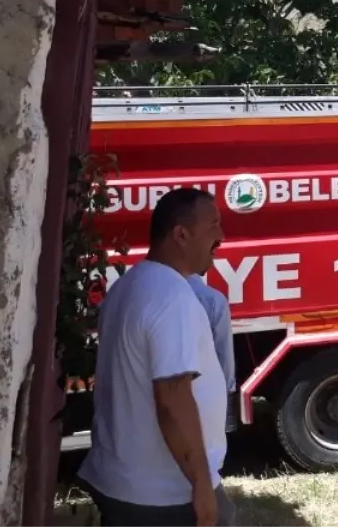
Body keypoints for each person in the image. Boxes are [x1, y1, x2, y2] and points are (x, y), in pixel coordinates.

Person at [79, 188, 233, 527]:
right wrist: (202, 486)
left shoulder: (129, 285)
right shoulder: (170, 297)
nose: (221, 237)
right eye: (213, 226)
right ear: (181, 234)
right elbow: (173, 398)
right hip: (164, 495)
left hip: (129, 483)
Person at [189, 272, 237, 432]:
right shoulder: (213, 300)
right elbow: (224, 356)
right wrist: (227, 397)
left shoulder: (150, 295)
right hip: (204, 395)